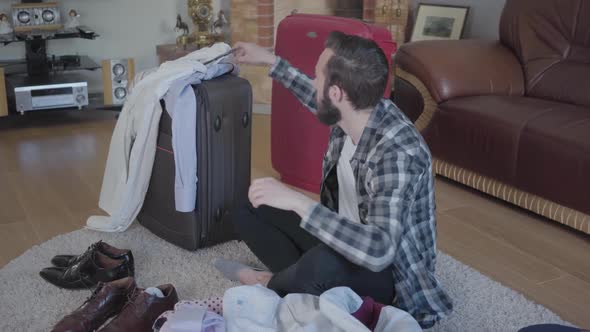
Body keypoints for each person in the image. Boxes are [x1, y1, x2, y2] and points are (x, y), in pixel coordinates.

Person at [215, 31, 452, 328]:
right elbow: (318, 99)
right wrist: (268, 60)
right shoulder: (357, 109)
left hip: (389, 274)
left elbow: (379, 250)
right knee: (248, 203)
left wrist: (297, 201)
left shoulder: (398, 153)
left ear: (338, 93)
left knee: (319, 266)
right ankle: (302, 282)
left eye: (317, 77)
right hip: (343, 237)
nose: (313, 82)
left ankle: (269, 282)